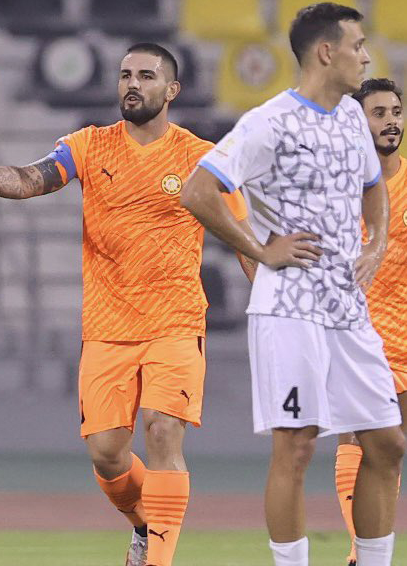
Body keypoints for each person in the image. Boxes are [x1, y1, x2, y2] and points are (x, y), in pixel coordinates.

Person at [0, 42, 251, 566]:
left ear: (171, 90)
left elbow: (244, 238)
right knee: (107, 456)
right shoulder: (88, 145)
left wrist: (272, 305)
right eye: (125, 74)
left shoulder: (201, 157)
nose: (132, 84)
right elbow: (33, 179)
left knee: (163, 429)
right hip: (107, 327)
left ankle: (159, 561)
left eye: (146, 76)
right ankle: (144, 528)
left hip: (175, 319)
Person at [180, 4, 405, 565]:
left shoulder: (353, 118)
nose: (366, 55)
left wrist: (375, 244)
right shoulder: (269, 122)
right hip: (289, 309)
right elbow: (198, 190)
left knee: (386, 442)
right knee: (297, 444)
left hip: (347, 308)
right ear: (326, 52)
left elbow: (373, 186)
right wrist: (260, 249)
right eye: (357, 45)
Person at [334, 77, 406, 566]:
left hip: (403, 335)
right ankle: (363, 552)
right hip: (357, 335)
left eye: (396, 112)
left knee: (390, 453)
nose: (391, 122)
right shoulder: (338, 188)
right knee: (361, 442)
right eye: (378, 113)